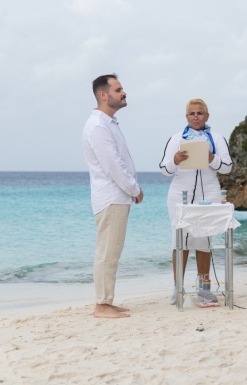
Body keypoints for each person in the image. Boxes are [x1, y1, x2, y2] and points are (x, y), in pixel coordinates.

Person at [82, 74, 144, 319]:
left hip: (116, 196)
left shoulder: (108, 123)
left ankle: (107, 301)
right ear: (103, 95)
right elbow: (113, 166)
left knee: (112, 251)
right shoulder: (98, 125)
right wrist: (134, 189)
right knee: (107, 251)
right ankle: (102, 305)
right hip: (111, 196)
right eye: (118, 90)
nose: (124, 93)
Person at [159, 98, 233, 305]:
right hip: (178, 194)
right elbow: (164, 170)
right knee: (179, 242)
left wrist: (211, 158)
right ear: (186, 117)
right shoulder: (175, 139)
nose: (195, 117)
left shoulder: (217, 138)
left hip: (208, 193)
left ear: (207, 116)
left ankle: (204, 290)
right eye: (191, 113)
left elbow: (227, 167)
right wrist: (175, 160)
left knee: (203, 241)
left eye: (200, 113)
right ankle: (178, 289)